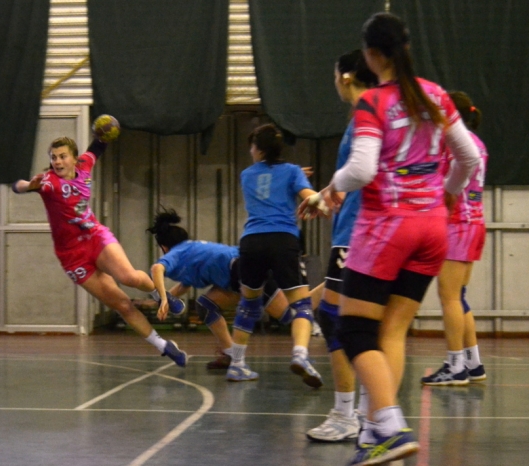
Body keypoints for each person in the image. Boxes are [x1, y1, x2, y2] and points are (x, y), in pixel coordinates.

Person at [300, 13, 480, 465]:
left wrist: (333, 186)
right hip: (433, 228)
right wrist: (449, 193)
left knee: (353, 329)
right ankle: (373, 432)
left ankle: (391, 428)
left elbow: (362, 169)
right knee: (392, 330)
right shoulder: (435, 95)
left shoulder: (374, 102)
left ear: (370, 55)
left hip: (388, 228)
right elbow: (469, 157)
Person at [11, 125, 188, 367]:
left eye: (62, 156)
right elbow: (18, 186)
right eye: (53, 157)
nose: (58, 162)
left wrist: (105, 131)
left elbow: (98, 146)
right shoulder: (49, 183)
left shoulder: (85, 165)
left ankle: (161, 295)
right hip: (72, 257)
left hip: (95, 237)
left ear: (75, 158)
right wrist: (28, 185)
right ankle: (164, 346)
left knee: (129, 277)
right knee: (122, 304)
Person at [306, 49, 378, 443]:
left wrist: (329, 192)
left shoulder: (366, 112)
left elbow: (363, 172)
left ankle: (346, 414)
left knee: (334, 318)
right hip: (368, 231)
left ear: (346, 77)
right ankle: (367, 414)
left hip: (356, 235)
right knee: (364, 324)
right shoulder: (379, 113)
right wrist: (326, 195)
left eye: (335, 75)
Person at [229, 123, 326, 387]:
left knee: (249, 305)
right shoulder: (292, 172)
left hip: (252, 242)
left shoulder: (246, 174)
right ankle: (300, 355)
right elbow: (309, 196)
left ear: (259, 150)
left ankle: (236, 364)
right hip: (283, 241)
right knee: (301, 304)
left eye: (252, 146)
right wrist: (322, 200)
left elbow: (269, 179)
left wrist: (293, 175)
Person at [147, 208, 300, 370]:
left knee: (290, 316)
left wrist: (163, 298)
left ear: (164, 247)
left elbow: (157, 269)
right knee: (206, 306)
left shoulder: (176, 253)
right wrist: (164, 299)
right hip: (238, 272)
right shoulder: (189, 250)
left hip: (244, 269)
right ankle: (231, 354)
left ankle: (318, 304)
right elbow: (185, 284)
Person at [421, 91, 489, 386]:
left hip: (458, 223)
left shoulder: (454, 144)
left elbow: (444, 183)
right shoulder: (477, 143)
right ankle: (473, 363)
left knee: (448, 297)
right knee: (458, 297)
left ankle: (455, 366)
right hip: (475, 222)